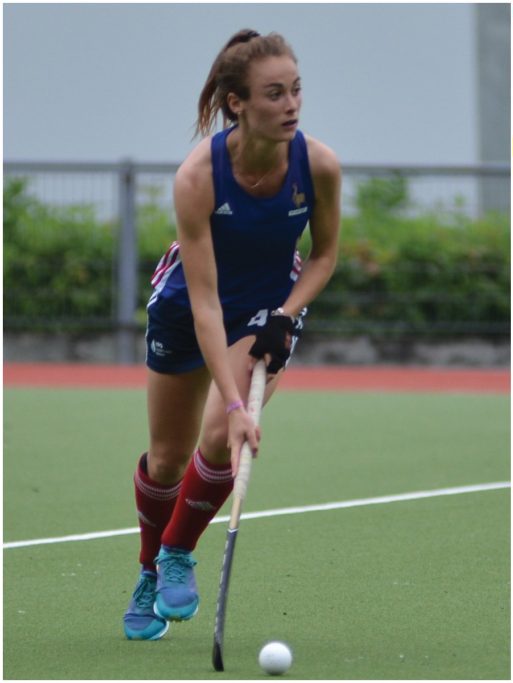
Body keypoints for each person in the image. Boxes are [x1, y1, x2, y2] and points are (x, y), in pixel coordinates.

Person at [123, 28, 341, 640]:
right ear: (236, 103)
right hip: (191, 305)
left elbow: (324, 255)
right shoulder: (198, 176)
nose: (291, 105)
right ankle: (147, 568)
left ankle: (175, 554)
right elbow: (204, 303)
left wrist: (286, 314)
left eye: (296, 90)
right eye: (274, 94)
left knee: (220, 436)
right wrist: (240, 401)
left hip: (266, 308)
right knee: (167, 459)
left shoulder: (318, 165)